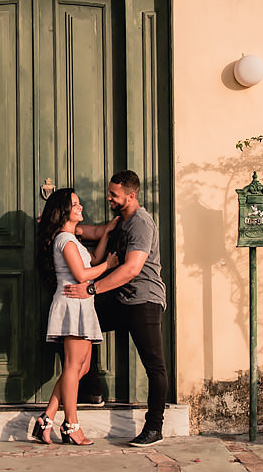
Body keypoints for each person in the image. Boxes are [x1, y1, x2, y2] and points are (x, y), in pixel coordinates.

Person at [63, 170, 168, 448]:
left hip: (144, 301)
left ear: (131, 195)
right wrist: (62, 225)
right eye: (109, 193)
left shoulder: (141, 223)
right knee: (83, 319)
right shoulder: (122, 220)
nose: (108, 198)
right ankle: (91, 388)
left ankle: (154, 427)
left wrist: (92, 289)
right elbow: (96, 232)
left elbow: (132, 269)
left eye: (114, 194)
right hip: (122, 299)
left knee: (155, 367)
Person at [32, 188, 119, 446]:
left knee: (81, 367)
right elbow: (82, 274)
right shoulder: (64, 240)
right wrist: (109, 266)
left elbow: (93, 259)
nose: (80, 207)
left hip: (82, 305)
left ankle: (46, 418)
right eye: (75, 204)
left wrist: (107, 233)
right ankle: (71, 425)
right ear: (63, 211)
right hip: (72, 305)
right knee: (72, 367)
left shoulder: (73, 240)